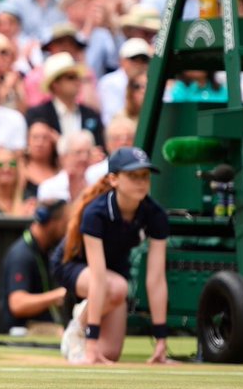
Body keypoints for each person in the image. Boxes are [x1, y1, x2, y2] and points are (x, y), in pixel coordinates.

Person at [54, 147, 171, 365]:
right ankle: (77, 329)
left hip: (114, 277)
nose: (141, 182)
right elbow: (98, 279)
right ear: (114, 179)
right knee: (116, 287)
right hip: (73, 267)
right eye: (133, 176)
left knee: (109, 355)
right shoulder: (95, 213)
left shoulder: (155, 214)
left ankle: (83, 319)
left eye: (145, 176)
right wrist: (90, 342)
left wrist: (161, 341)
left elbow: (156, 279)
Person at [0, 199, 69, 334]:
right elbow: (17, 304)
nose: (66, 229)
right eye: (64, 223)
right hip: (24, 330)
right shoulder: (21, 255)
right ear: (51, 222)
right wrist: (57, 296)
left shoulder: (45, 250)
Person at [26, 53, 105, 148]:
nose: (77, 81)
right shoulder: (38, 115)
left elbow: (100, 147)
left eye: (78, 77)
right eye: (71, 77)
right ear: (55, 84)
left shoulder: (91, 114)